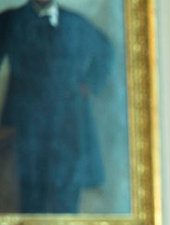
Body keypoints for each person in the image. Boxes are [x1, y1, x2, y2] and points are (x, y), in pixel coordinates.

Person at [0, 0, 111, 213]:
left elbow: (105, 50)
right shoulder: (9, 21)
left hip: (67, 123)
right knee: (29, 191)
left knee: (67, 189)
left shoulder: (75, 23)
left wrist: (91, 82)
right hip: (26, 124)